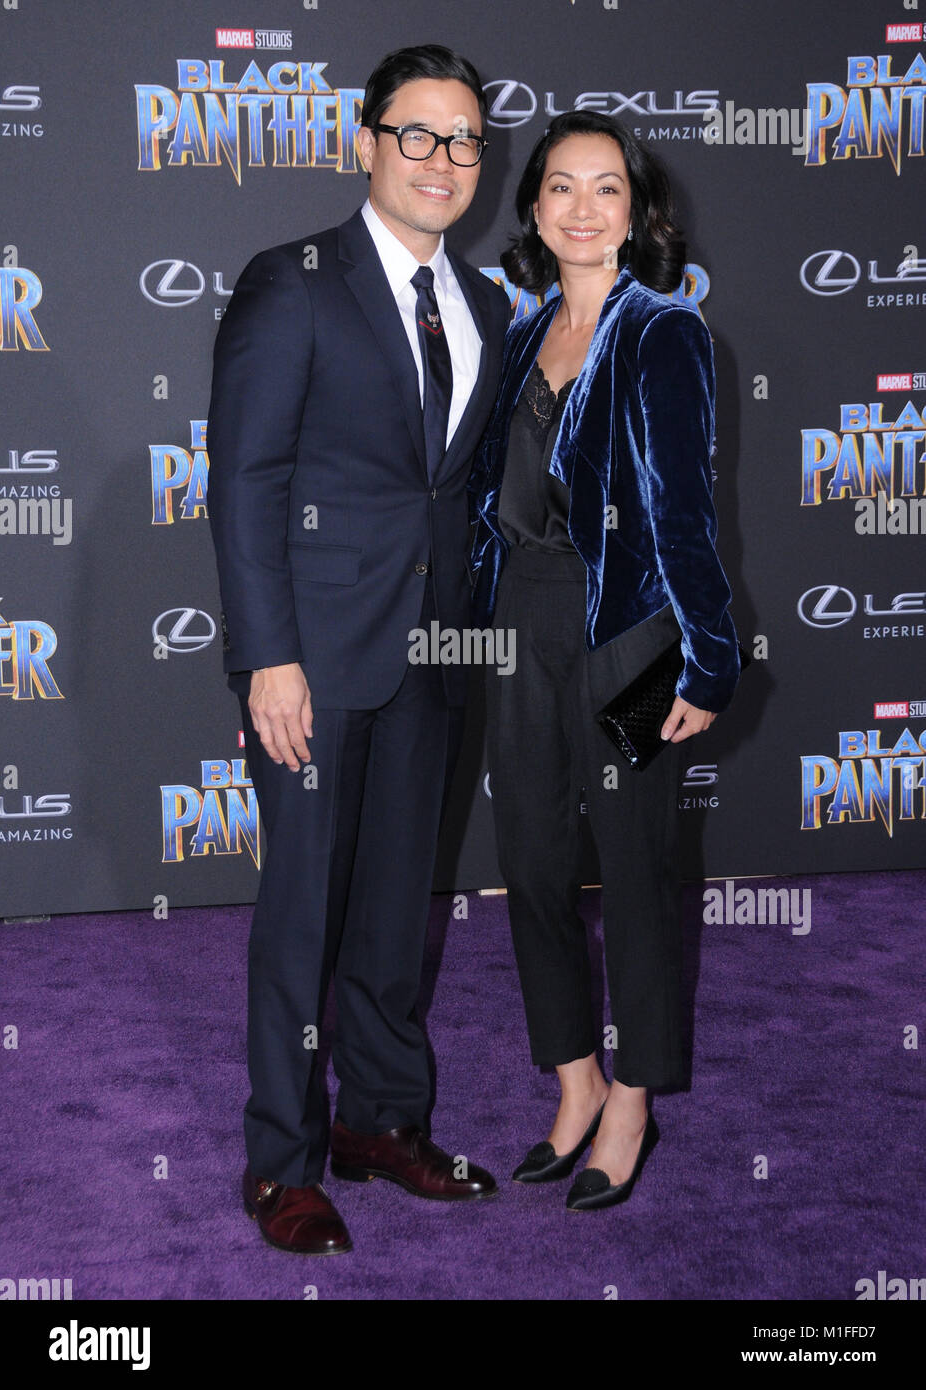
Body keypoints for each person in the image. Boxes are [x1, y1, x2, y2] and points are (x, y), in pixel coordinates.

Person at [206, 44, 511, 1255]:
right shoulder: (295, 283)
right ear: (366, 142)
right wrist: (268, 656)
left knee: (396, 911)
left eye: (467, 141)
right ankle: (282, 1160)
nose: (445, 161)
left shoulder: (484, 304)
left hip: (432, 657)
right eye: (420, 134)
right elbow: (246, 482)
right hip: (314, 666)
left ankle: (381, 1121)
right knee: (302, 915)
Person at [469, 111, 741, 1211]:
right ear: (534, 209)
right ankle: (573, 1079)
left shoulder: (665, 333)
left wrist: (708, 661)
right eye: (562, 189)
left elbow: (685, 517)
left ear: (637, 214)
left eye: (607, 189)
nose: (584, 208)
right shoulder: (516, 337)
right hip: (519, 631)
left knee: (631, 869)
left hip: (630, 637)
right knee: (531, 866)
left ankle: (632, 1098)